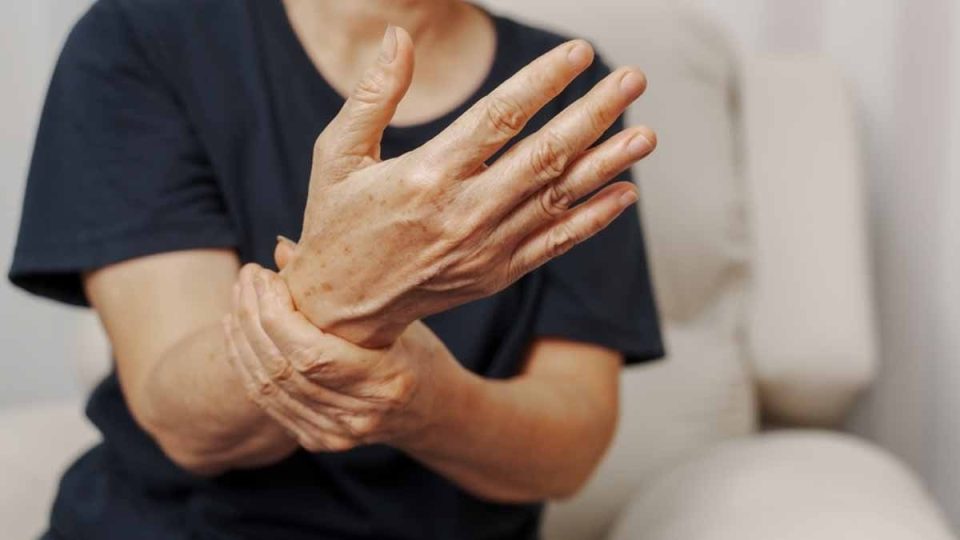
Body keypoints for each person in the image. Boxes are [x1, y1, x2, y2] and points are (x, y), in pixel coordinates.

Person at [9, 0, 664, 538]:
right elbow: (189, 429)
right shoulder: (142, 35)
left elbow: (567, 455)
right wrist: (346, 295)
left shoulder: (566, 94)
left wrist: (423, 400)